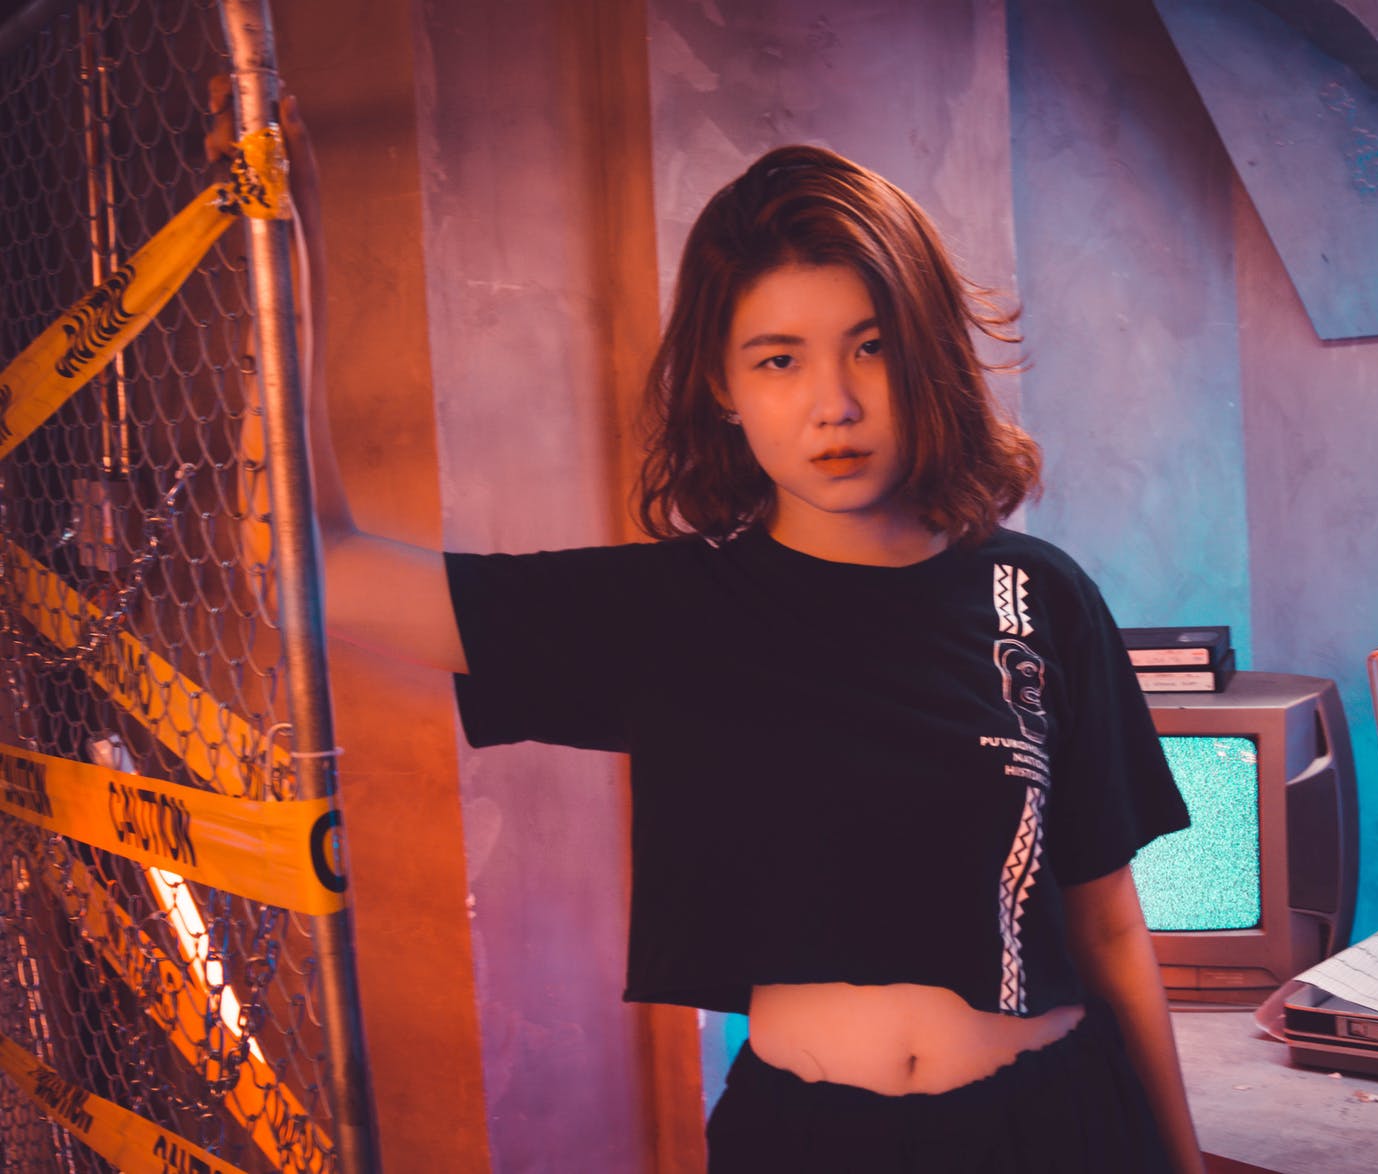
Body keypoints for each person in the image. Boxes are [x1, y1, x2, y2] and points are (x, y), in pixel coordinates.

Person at [302, 128, 1205, 1173]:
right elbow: (333, 567)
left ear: (925, 356)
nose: (836, 402)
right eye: (779, 359)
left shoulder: (1038, 596)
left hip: (1048, 1131)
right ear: (724, 387)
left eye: (871, 347)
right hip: (802, 1141)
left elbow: (1104, 929)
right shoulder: (676, 608)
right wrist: (298, 267)